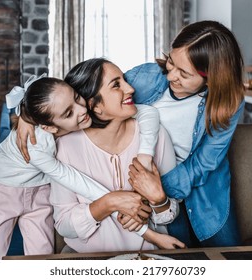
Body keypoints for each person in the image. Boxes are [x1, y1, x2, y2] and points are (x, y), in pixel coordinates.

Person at [0, 74, 172, 259]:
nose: (81, 110)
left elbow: (147, 111)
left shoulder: (54, 105)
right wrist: (147, 232)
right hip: (4, 191)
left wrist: (25, 116)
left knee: (41, 254)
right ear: (49, 127)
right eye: (69, 113)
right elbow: (82, 184)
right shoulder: (36, 145)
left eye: (77, 98)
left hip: (40, 190)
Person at [125, 20, 245, 247]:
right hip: (149, 189)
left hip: (205, 196)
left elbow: (204, 163)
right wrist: (34, 115)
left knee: (234, 261)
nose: (170, 77)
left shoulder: (230, 100)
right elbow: (85, 89)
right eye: (171, 63)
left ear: (212, 77)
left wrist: (153, 190)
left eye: (184, 73)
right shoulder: (146, 77)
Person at [49, 58, 185, 252]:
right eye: (116, 85)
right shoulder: (65, 147)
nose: (130, 89)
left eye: (124, 80)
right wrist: (108, 204)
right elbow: (63, 224)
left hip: (147, 257)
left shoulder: (156, 135)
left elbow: (171, 213)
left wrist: (158, 201)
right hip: (87, 261)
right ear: (95, 106)